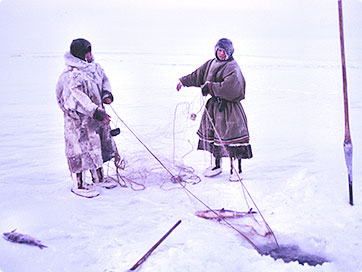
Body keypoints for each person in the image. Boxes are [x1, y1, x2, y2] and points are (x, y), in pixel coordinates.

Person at [176, 38, 252, 181]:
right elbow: (198, 75)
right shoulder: (211, 63)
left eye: (223, 51)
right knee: (213, 137)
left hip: (229, 109)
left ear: (229, 52)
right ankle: (216, 166)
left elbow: (233, 87)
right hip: (214, 108)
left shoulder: (233, 67)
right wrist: (183, 81)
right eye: (218, 50)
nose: (221, 53)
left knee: (231, 139)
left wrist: (211, 87)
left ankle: (236, 170)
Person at [56, 38, 120, 197]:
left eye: (90, 51)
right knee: (79, 150)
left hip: (95, 119)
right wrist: (96, 112)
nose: (90, 55)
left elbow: (104, 80)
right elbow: (77, 98)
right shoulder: (71, 74)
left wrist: (106, 95)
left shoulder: (95, 68)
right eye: (86, 52)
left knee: (96, 147)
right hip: (78, 121)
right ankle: (79, 184)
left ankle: (99, 178)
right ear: (79, 55)